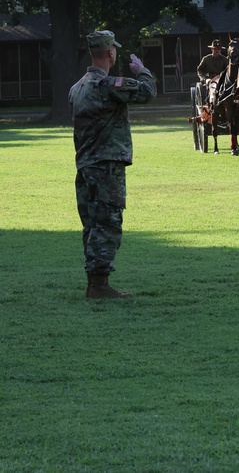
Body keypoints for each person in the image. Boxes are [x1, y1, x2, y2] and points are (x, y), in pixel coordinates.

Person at [69, 30, 157, 299]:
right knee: (107, 225)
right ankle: (99, 286)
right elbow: (147, 92)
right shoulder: (107, 85)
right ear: (110, 52)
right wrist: (142, 70)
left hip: (85, 166)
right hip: (106, 167)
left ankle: (93, 282)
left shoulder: (77, 88)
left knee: (92, 226)